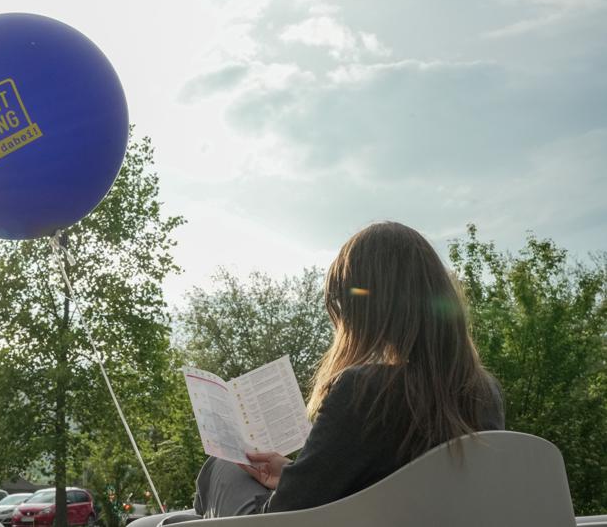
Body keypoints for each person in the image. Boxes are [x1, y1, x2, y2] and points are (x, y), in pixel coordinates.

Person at [192, 221, 505, 519]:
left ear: (363, 309)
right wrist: (292, 475)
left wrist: (290, 487)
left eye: (339, 304)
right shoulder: (484, 393)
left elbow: (284, 514)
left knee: (224, 466)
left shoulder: (363, 390)